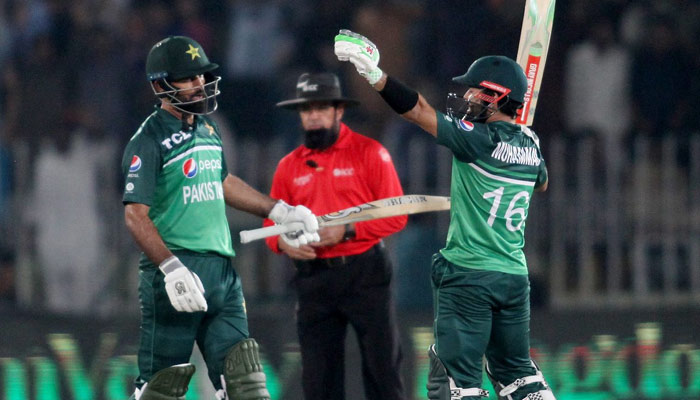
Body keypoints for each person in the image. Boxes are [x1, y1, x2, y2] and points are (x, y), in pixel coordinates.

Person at [335, 31, 554, 400]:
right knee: (519, 377)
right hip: (514, 278)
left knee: (456, 384)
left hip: (470, 275)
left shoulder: (477, 139)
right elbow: (541, 184)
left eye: (473, 90)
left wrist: (375, 75)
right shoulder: (531, 145)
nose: (466, 97)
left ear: (495, 96)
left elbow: (418, 111)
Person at [121, 35, 320, 400]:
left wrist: (280, 210)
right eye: (189, 78)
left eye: (202, 76)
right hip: (175, 272)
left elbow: (223, 182)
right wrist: (170, 268)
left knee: (247, 386)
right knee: (160, 389)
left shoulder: (208, 127)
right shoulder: (147, 139)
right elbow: (135, 215)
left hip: (222, 272)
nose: (200, 84)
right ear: (159, 84)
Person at [263, 72, 408, 400]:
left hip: (364, 273)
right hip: (314, 278)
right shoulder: (288, 166)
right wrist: (284, 244)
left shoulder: (370, 153)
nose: (313, 115)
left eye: (321, 107)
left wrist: (348, 230)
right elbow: (271, 225)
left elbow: (396, 216)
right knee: (318, 380)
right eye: (306, 109)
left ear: (339, 111)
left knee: (383, 372)